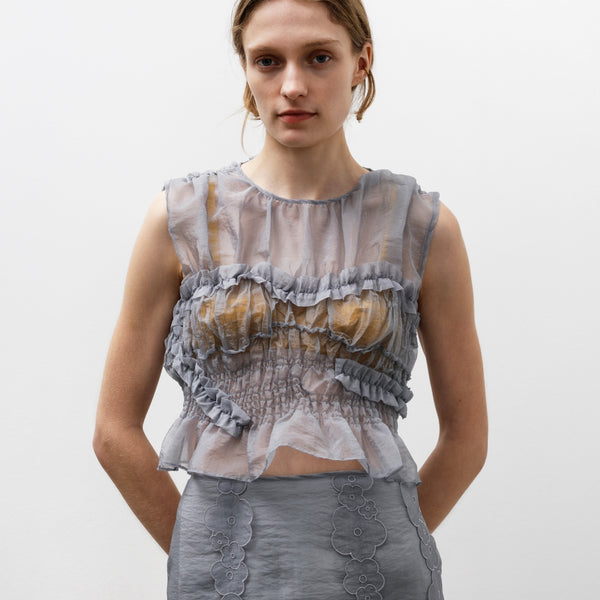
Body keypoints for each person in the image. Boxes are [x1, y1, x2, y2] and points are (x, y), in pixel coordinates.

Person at [93, 0, 487, 598]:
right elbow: (113, 429)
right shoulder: (181, 220)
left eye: (319, 57)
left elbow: (467, 438)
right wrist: (202, 548)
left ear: (362, 62)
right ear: (246, 68)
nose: (293, 85)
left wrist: (390, 541)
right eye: (268, 61)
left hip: (379, 570)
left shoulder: (422, 226)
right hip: (220, 571)